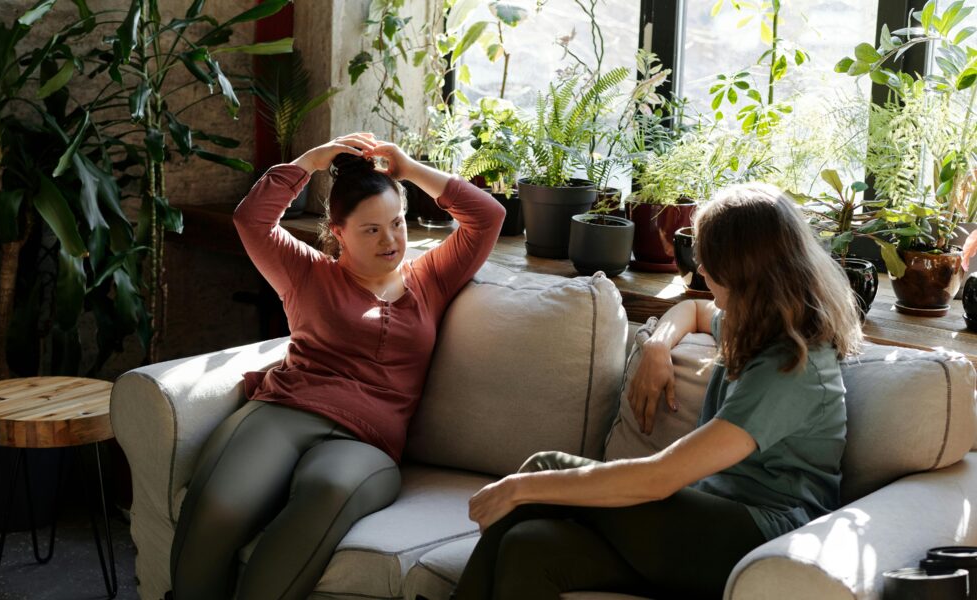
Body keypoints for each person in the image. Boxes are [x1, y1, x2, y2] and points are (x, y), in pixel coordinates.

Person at [452, 182, 863, 600]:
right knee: (532, 549)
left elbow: (660, 478)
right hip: (705, 527)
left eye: (708, 260)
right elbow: (697, 310)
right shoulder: (756, 322)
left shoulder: (791, 368)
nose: (701, 270)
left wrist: (518, 488)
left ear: (744, 270)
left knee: (542, 468)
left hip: (759, 538)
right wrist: (657, 344)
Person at [169, 132, 506, 600]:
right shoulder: (307, 272)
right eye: (371, 229)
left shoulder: (430, 278)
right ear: (338, 230)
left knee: (326, 492)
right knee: (219, 504)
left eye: (397, 223)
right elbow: (252, 219)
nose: (390, 240)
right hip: (284, 411)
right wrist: (309, 161)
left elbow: (488, 216)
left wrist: (407, 169)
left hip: (367, 441)